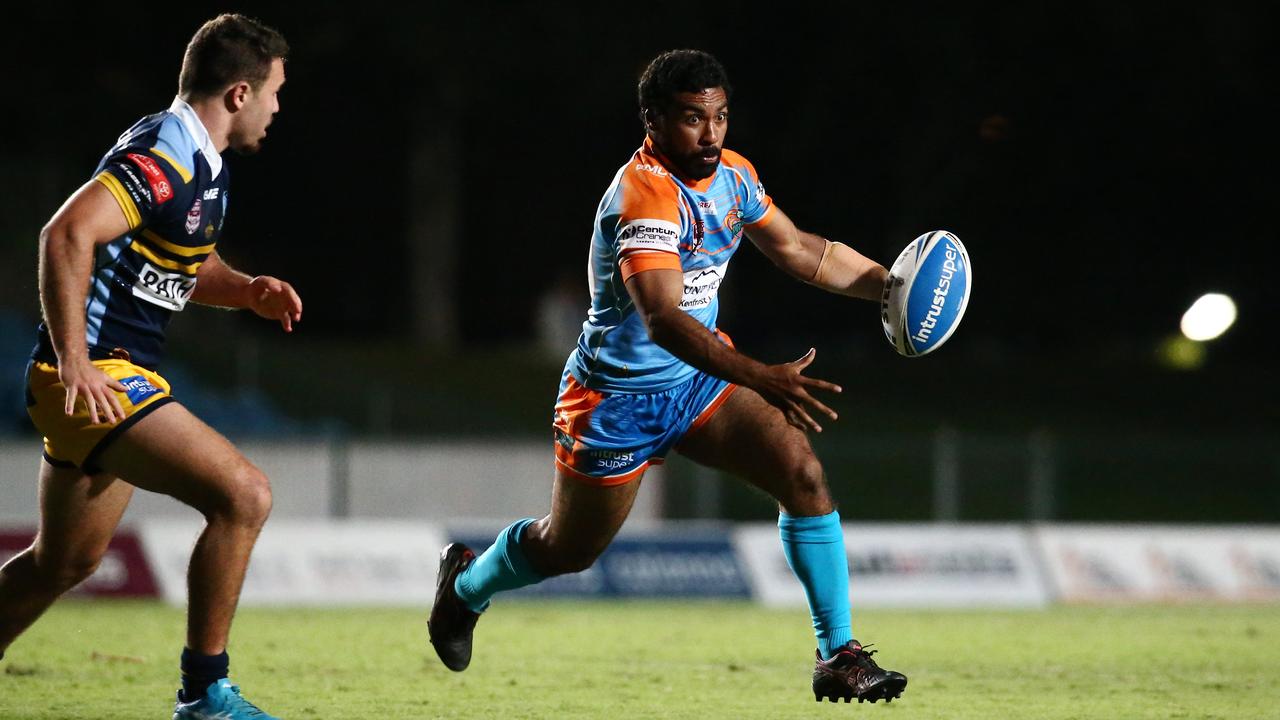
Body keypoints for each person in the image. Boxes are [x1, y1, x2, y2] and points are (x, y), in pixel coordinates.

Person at [428, 49, 908, 705]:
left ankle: (839, 655)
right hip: (615, 401)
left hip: (700, 386)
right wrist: (762, 376)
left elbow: (799, 249)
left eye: (720, 116)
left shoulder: (735, 177)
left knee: (802, 473)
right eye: (691, 118)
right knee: (568, 549)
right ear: (653, 120)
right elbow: (663, 320)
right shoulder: (643, 196)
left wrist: (893, 289)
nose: (711, 133)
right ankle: (465, 586)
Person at [0, 14, 298, 720]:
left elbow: (181, 263)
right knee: (244, 496)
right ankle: (205, 695)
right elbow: (67, 233)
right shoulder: (165, 157)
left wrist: (244, 290)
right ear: (237, 94)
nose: (278, 109)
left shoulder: (201, 162)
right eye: (275, 92)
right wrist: (75, 359)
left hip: (110, 379)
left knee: (63, 562)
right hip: (101, 377)